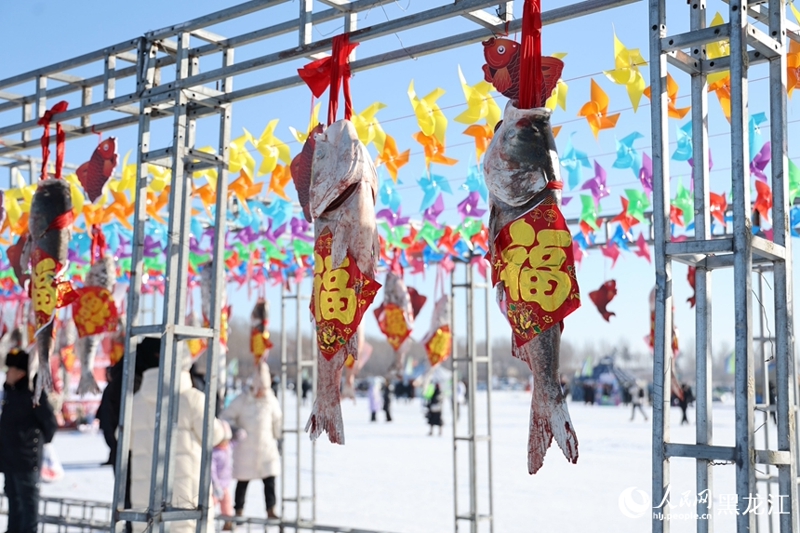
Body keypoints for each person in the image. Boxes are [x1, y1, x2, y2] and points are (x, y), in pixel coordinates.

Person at [130, 338, 231, 533]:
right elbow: (214, 435)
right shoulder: (192, 398)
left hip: (146, 505)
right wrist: (225, 429)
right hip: (187, 504)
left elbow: (127, 442)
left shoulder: (135, 402)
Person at [0, 348, 58, 533]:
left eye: (10, 370)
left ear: (20, 373)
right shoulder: (10, 393)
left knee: (28, 502)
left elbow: (50, 422)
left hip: (26, 459)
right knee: (13, 499)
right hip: (9, 459)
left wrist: (33, 443)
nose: (6, 374)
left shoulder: (33, 393)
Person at [221, 362, 282, 520]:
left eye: (264, 389)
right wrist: (235, 430)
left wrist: (278, 437)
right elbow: (225, 417)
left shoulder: (271, 400)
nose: (261, 392)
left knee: (270, 481)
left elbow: (277, 421)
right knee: (242, 482)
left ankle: (271, 509)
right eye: (259, 389)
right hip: (245, 450)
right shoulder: (242, 400)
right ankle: (238, 510)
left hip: (266, 448)